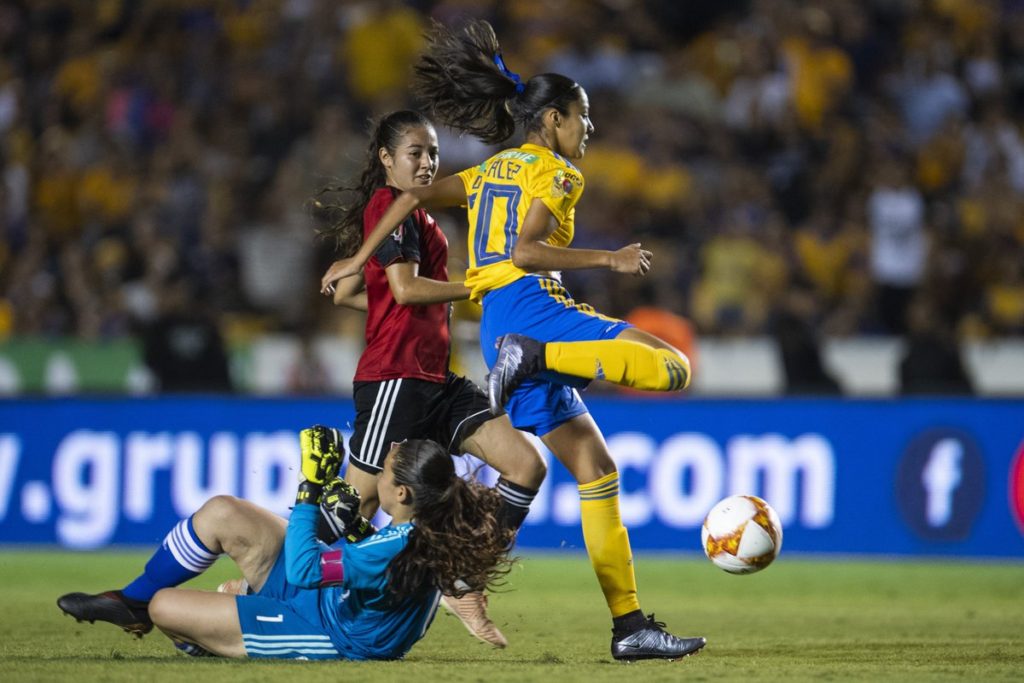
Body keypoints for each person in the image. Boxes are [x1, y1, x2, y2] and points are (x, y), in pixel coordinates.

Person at [320, 20, 705, 662]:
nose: (589, 130)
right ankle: (538, 360)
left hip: (502, 317)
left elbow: (408, 193)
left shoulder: (491, 168)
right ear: (551, 120)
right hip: (531, 317)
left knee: (594, 470)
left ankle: (627, 625)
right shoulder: (557, 173)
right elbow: (526, 251)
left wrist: (359, 257)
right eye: (582, 117)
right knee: (673, 371)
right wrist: (609, 261)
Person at [313, 109, 547, 647]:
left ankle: (462, 581)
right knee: (354, 509)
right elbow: (406, 291)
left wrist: (362, 287)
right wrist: (477, 285)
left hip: (434, 379)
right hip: (394, 380)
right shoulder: (386, 207)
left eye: (434, 153)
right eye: (415, 152)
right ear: (386, 160)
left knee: (524, 465)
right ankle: (271, 585)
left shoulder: (419, 218)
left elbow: (365, 296)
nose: (427, 162)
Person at [57, 429, 513, 661]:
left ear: (401, 495)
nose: (380, 465)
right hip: (331, 601)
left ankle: (209, 635)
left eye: (388, 465)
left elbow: (305, 570)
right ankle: (131, 603)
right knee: (222, 511)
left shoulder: (399, 545)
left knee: (166, 607)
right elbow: (377, 566)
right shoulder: (420, 530)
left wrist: (310, 489)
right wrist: (353, 529)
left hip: (327, 632)